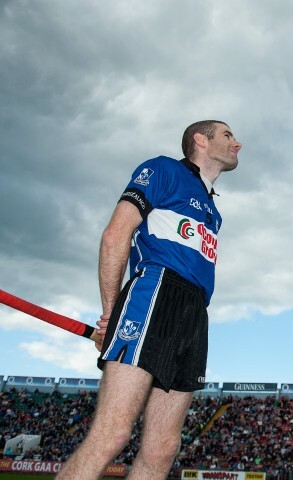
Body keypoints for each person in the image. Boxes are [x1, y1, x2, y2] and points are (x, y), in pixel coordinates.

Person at [56, 120, 242, 480]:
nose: (238, 143)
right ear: (201, 141)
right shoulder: (162, 169)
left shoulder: (212, 210)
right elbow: (115, 235)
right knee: (113, 432)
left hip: (195, 312)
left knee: (161, 450)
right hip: (157, 292)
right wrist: (110, 314)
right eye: (228, 135)